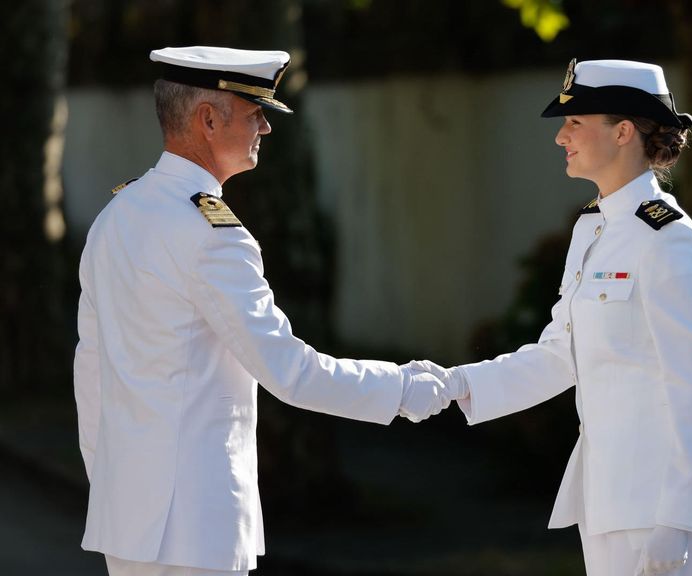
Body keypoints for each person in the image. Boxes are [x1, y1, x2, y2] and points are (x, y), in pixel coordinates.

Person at [73, 46, 450, 576]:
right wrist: (405, 389)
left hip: (128, 518)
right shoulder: (211, 236)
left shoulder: (117, 214)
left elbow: (92, 371)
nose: (265, 130)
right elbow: (291, 373)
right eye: (255, 114)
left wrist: (114, 482)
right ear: (207, 119)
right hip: (195, 528)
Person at [410, 59, 692, 576]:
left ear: (623, 131)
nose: (561, 137)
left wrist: (682, 516)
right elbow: (561, 356)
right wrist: (455, 385)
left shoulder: (669, 239)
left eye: (575, 122)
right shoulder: (593, 229)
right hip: (606, 495)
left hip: (663, 503)